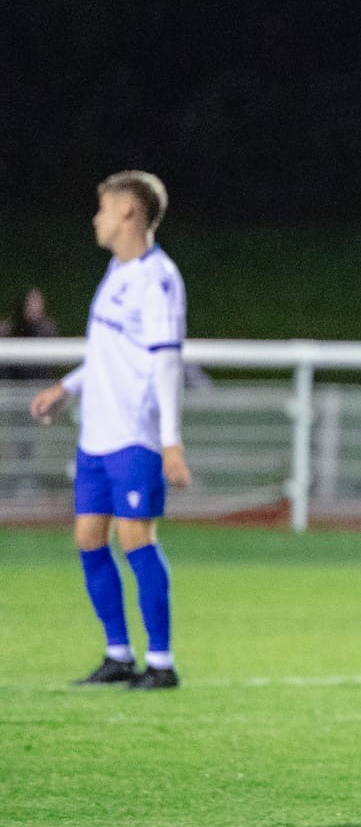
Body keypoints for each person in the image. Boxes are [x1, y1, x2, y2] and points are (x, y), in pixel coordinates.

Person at [30, 173, 190, 689]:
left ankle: (160, 663)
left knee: (136, 540)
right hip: (95, 434)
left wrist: (169, 439)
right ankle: (118, 653)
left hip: (134, 435)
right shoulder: (116, 273)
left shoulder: (158, 279)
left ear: (127, 214)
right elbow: (108, 356)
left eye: (102, 209)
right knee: (88, 539)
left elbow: (167, 363)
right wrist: (67, 387)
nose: (96, 219)